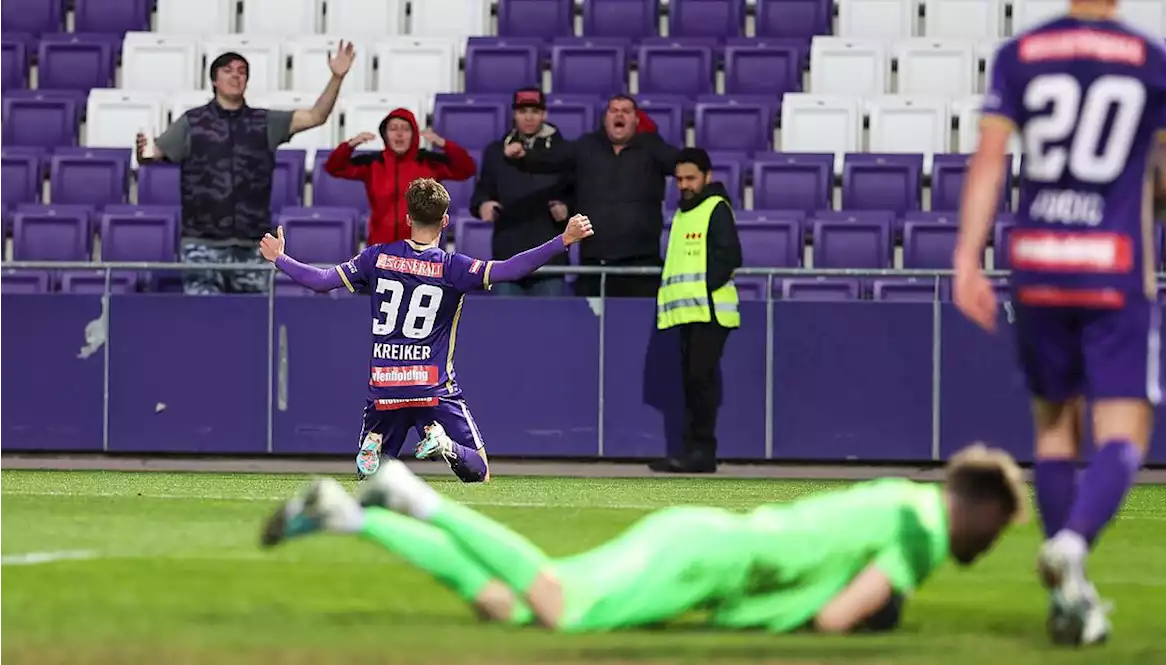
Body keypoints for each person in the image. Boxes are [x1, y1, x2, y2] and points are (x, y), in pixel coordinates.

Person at [951, 0, 1166, 646]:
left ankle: (1069, 599)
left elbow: (989, 161)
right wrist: (1159, 193)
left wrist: (966, 259)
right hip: (1113, 265)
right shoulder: (1158, 61)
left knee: (1054, 426)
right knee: (1125, 428)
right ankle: (1070, 543)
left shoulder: (1021, 56)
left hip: (1036, 264)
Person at [260, 444, 1028, 634]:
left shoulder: (902, 495)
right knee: (559, 606)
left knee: (512, 604)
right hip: (709, 559)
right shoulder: (922, 533)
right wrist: (881, 612)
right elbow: (834, 618)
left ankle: (352, 514)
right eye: (996, 534)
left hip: (698, 537)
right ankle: (413, 496)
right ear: (983, 508)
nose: (989, 548)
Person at [258, 178, 594, 481]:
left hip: (385, 385)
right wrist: (562, 239)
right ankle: (444, 444)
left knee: (372, 481)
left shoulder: (376, 257)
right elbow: (511, 269)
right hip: (432, 386)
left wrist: (281, 259)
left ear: (407, 218)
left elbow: (321, 281)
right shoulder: (453, 267)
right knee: (479, 470)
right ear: (445, 220)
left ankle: (374, 443)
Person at [136, 45, 355, 295]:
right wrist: (144, 153)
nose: (235, 76)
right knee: (203, 324)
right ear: (214, 80)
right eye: (227, 70)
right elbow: (153, 154)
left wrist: (337, 77)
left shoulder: (265, 122)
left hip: (252, 245)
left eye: (241, 71)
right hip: (202, 245)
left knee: (253, 325)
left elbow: (316, 116)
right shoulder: (192, 122)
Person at [504, 94, 678, 298]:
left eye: (626, 111)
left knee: (636, 327)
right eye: (613, 110)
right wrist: (523, 158)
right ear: (605, 118)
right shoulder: (586, 146)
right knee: (590, 328)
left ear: (636, 120)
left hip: (641, 264)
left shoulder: (652, 148)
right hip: (594, 263)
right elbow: (551, 160)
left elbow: (687, 166)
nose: (619, 114)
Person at [648, 148, 742, 475]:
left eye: (690, 178)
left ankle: (702, 452)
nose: (684, 184)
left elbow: (729, 256)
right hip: (689, 313)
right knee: (692, 383)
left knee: (700, 383)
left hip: (710, 313)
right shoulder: (685, 213)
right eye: (679, 179)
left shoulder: (715, 208)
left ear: (707, 177)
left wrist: (702, 291)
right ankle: (690, 452)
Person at [470, 88, 575, 297]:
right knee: (507, 327)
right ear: (514, 115)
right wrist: (483, 205)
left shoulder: (564, 152)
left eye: (535, 111)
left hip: (550, 260)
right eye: (522, 111)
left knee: (550, 327)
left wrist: (568, 209)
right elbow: (480, 194)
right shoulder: (496, 152)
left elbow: (579, 194)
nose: (528, 117)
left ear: (544, 115)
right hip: (508, 258)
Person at [325, 108, 476, 246]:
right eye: (393, 129)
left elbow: (467, 169)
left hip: (420, 251)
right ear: (385, 134)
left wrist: (443, 144)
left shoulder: (428, 161)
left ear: (414, 134)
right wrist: (350, 145)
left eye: (405, 129)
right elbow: (333, 167)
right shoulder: (372, 163)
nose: (399, 134)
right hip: (380, 249)